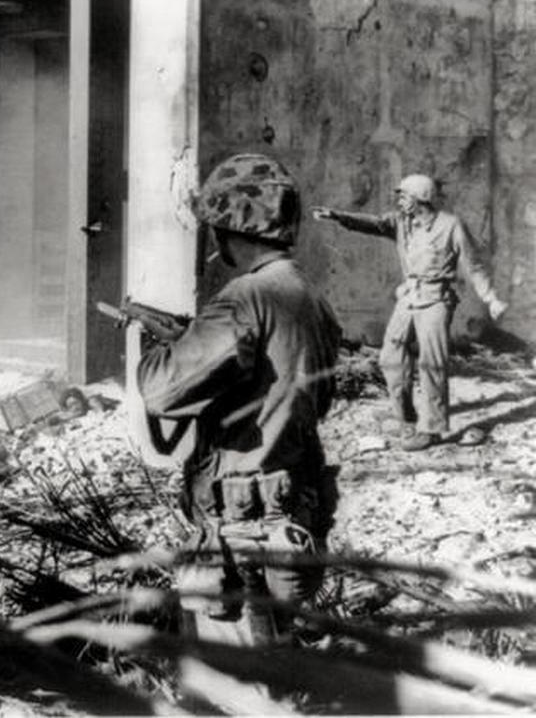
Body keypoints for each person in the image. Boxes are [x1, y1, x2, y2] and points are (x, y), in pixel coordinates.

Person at [138, 153, 342, 646]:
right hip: (291, 511)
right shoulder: (309, 297)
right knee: (273, 659)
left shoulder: (244, 297)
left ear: (227, 226)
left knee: (235, 682)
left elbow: (162, 392)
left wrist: (158, 349)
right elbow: (299, 392)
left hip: (241, 527)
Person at [313, 174, 508, 450]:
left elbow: (474, 266)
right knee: (390, 355)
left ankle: (431, 429)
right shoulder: (401, 222)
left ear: (421, 199)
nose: (399, 200)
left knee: (432, 363)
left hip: (436, 300)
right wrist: (337, 216)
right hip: (409, 296)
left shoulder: (451, 226)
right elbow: (375, 223)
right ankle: (405, 417)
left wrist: (491, 299)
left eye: (404, 196)